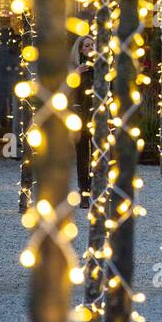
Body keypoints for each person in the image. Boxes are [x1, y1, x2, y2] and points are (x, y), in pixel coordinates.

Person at [70, 35, 96, 206]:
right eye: (87, 45)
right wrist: (76, 74)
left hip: (96, 117)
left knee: (97, 155)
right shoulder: (75, 69)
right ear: (80, 49)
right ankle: (84, 192)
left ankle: (94, 190)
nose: (90, 48)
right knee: (82, 156)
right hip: (80, 117)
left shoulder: (101, 68)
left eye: (92, 45)